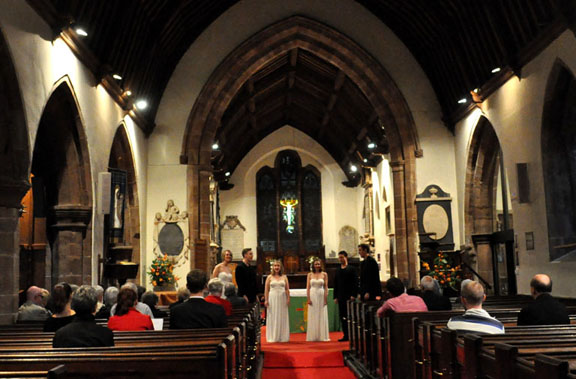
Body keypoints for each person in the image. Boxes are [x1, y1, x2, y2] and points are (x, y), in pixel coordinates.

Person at [333, 250, 358, 341]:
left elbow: (355, 283)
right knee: (342, 316)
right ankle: (346, 335)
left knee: (351, 316)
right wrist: (335, 296)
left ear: (346, 257)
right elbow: (336, 284)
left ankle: (353, 335)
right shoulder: (338, 270)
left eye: (342, 257)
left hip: (349, 296)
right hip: (341, 296)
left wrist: (353, 294)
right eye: (339, 257)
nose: (340, 259)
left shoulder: (352, 269)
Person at [264, 260, 290, 342]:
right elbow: (266, 290)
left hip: (282, 298)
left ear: (280, 267)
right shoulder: (269, 277)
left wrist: (288, 298)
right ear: (273, 267)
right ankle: (273, 336)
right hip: (273, 298)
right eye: (275, 266)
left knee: (282, 316)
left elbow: (287, 289)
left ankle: (282, 336)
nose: (276, 267)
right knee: (273, 316)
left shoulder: (284, 277)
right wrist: (266, 300)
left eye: (278, 266)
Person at [306, 258, 330, 341]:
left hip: (321, 294)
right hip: (312, 294)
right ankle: (313, 336)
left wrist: (325, 298)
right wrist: (308, 298)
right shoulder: (309, 274)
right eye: (316, 264)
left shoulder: (324, 274)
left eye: (318, 264)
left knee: (321, 313)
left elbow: (326, 287)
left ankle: (322, 335)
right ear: (313, 265)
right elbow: (308, 288)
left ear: (321, 265)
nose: (317, 265)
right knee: (313, 314)